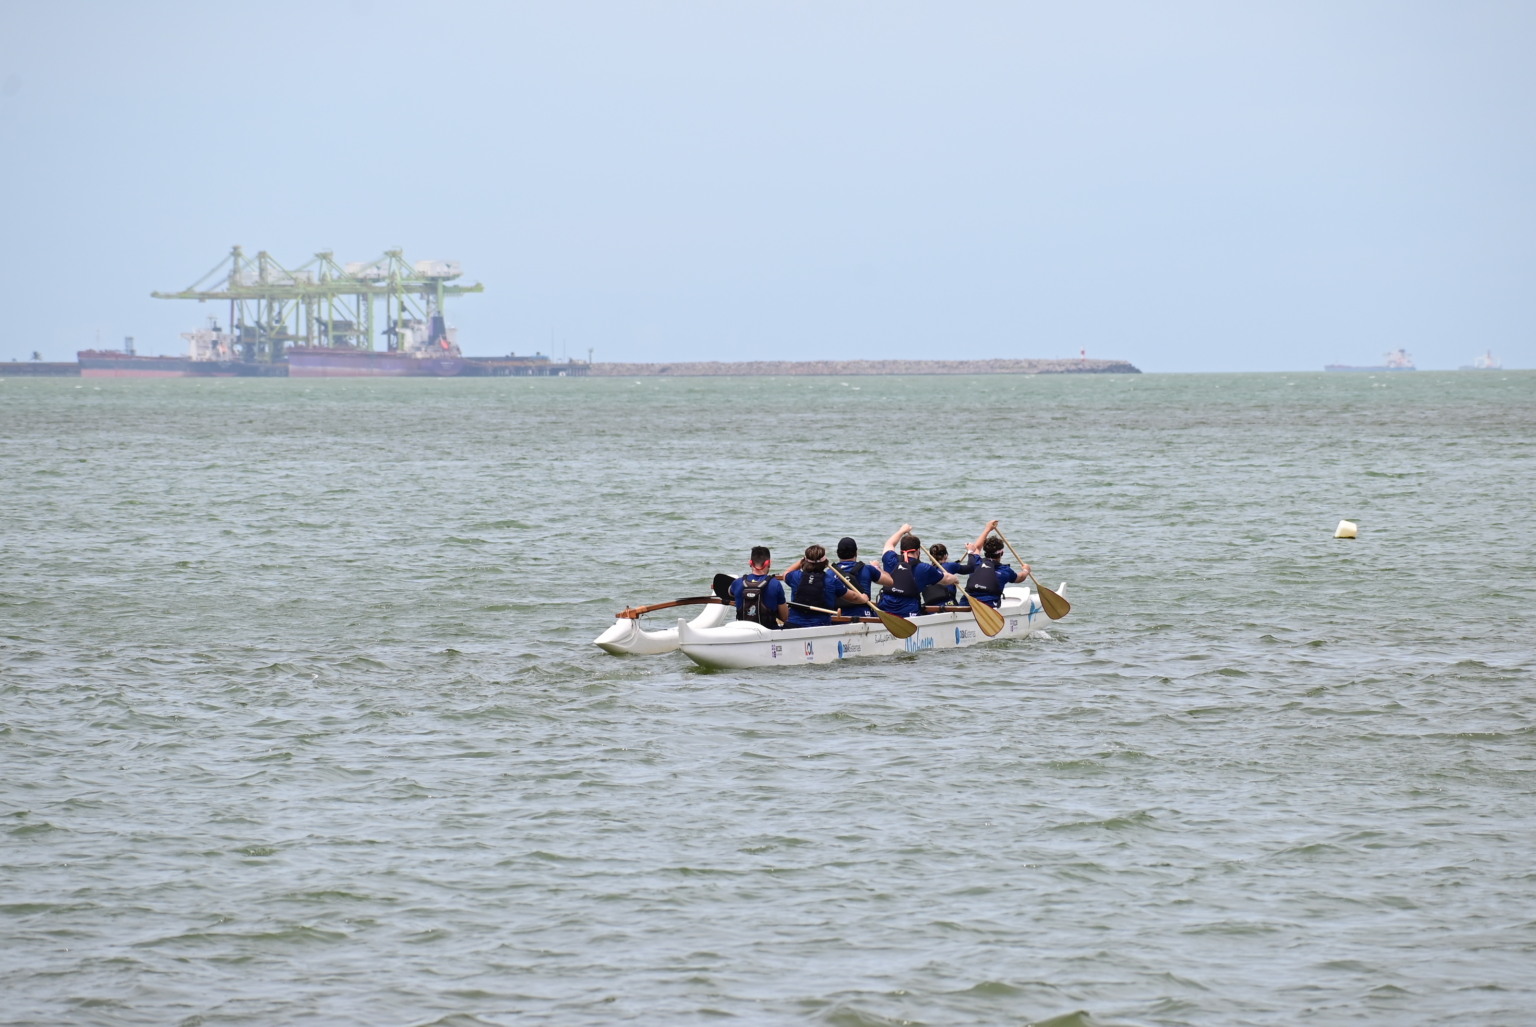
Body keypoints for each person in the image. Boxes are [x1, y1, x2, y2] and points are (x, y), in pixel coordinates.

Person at [877, 523, 957, 618]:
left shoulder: (890, 559)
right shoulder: (924, 568)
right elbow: (947, 579)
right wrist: (955, 579)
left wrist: (902, 531)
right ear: (918, 551)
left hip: (885, 608)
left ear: (901, 550)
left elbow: (889, 544)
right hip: (909, 612)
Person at [781, 544, 869, 628]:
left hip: (794, 624)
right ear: (825, 563)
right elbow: (853, 597)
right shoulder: (831, 581)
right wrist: (863, 599)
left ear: (805, 562)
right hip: (820, 626)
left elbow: (786, 573)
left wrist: (801, 561)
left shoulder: (795, 577)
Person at [956, 520, 1029, 608]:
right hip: (989, 608)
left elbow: (976, 548)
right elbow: (1020, 578)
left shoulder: (975, 562)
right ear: (1001, 553)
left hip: (965, 604)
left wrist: (987, 529)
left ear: (985, 551)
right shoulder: (1005, 571)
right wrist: (1026, 570)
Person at [831, 536, 890, 621]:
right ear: (856, 553)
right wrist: (876, 567)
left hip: (837, 617)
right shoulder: (867, 569)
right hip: (863, 616)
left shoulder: (830, 572)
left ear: (837, 553)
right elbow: (890, 581)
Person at [730, 545, 787, 628]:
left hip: (743, 631)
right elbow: (784, 617)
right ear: (768, 563)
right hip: (768, 633)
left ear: (750, 563)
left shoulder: (737, 583)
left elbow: (729, 593)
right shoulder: (775, 584)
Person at [919, 542, 962, 608]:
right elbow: (971, 568)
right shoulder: (950, 565)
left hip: (930, 607)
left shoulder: (926, 570)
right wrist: (971, 552)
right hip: (949, 605)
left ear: (930, 557)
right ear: (945, 555)